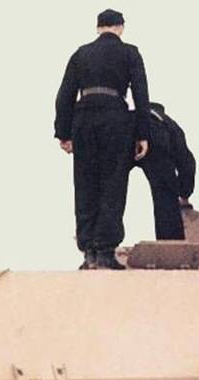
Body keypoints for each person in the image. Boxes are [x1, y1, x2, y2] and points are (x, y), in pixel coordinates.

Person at [55, 8, 150, 270]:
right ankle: (106, 250)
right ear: (120, 28)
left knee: (85, 184)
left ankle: (89, 252)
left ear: (98, 28)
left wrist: (64, 133)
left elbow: (64, 95)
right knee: (113, 183)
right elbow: (141, 94)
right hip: (115, 119)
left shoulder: (81, 53)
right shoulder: (130, 52)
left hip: (83, 121)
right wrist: (142, 133)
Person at [134, 102, 196, 240]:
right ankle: (170, 241)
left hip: (124, 129)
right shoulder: (169, 123)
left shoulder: (132, 116)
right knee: (165, 191)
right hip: (155, 134)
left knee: (112, 186)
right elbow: (187, 162)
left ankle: (101, 243)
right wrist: (184, 194)